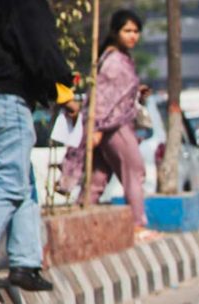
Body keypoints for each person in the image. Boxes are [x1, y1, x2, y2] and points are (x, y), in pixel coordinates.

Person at [0, 0, 78, 290]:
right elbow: (41, 51)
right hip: (4, 98)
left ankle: (25, 262)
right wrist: (62, 88)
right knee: (8, 183)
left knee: (22, 176)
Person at [59, 10, 151, 240]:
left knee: (97, 178)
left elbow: (118, 94)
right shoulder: (112, 61)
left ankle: (78, 230)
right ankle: (138, 225)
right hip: (111, 127)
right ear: (116, 32)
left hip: (110, 126)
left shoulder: (120, 58)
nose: (132, 36)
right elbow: (102, 99)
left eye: (136, 32)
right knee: (135, 172)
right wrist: (97, 128)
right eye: (127, 31)